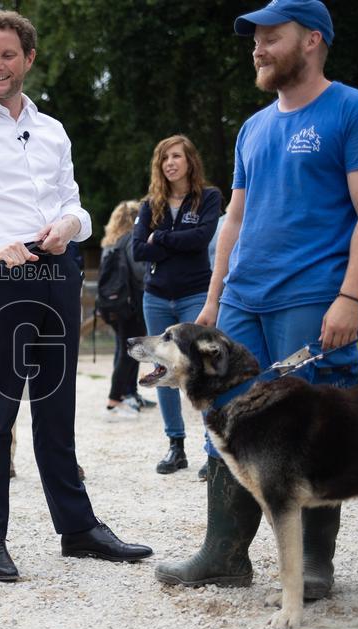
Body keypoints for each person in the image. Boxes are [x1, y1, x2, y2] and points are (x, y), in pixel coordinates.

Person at [155, 0, 358, 600]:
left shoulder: (356, 111)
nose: (257, 47)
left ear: (312, 40)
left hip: (315, 295)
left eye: (270, 36)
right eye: (254, 38)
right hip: (242, 302)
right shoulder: (254, 127)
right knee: (224, 418)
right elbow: (232, 217)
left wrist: (349, 294)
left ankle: (314, 565)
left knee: (317, 424)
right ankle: (223, 554)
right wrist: (212, 299)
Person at [0, 10, 152, 582]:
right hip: (0, 276)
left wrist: (69, 227)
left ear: (28, 59)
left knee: (57, 407)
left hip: (57, 271)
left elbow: (77, 205)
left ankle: (77, 529)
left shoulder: (53, 130)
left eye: (6, 55)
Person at [131, 136, 221, 473]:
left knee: (202, 367)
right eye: (164, 158)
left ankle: (213, 450)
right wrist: (171, 242)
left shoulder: (208, 198)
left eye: (176, 156)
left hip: (195, 294)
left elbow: (201, 240)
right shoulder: (149, 205)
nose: (170, 163)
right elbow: (138, 249)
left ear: (189, 161)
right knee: (162, 369)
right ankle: (175, 445)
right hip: (155, 297)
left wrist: (160, 239)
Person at [100, 199, 149, 420]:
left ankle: (127, 394)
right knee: (129, 352)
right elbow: (139, 271)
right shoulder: (130, 240)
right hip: (130, 303)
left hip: (111, 304)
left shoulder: (109, 243)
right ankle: (115, 400)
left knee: (123, 349)